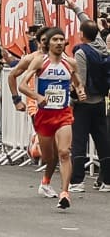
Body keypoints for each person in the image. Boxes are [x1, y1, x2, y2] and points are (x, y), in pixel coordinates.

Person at [18, 27, 85, 210]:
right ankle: (46, 180)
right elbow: (23, 85)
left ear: (65, 43)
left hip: (63, 113)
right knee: (50, 157)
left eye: (61, 39)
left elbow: (78, 83)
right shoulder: (40, 61)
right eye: (54, 39)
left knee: (64, 152)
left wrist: (80, 91)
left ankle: (65, 193)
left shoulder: (71, 63)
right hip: (44, 115)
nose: (58, 42)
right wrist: (37, 97)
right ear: (48, 43)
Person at [69, 17, 110, 192]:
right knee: (103, 141)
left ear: (82, 34)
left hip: (84, 103)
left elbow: (81, 81)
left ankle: (77, 181)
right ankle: (107, 181)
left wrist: (73, 100)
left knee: (79, 140)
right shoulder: (103, 50)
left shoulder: (81, 52)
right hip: (101, 100)